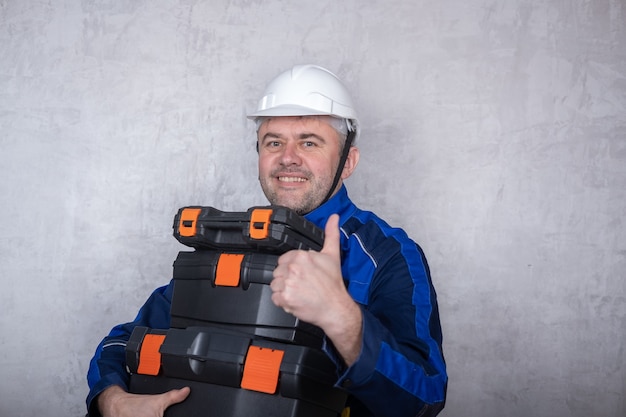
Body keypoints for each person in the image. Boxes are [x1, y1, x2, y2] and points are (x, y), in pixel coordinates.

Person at [86, 64, 447, 417]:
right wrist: (112, 400)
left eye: (309, 142)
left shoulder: (387, 254)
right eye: (274, 142)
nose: (288, 158)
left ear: (348, 161)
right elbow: (126, 341)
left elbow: (426, 396)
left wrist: (340, 315)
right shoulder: (230, 248)